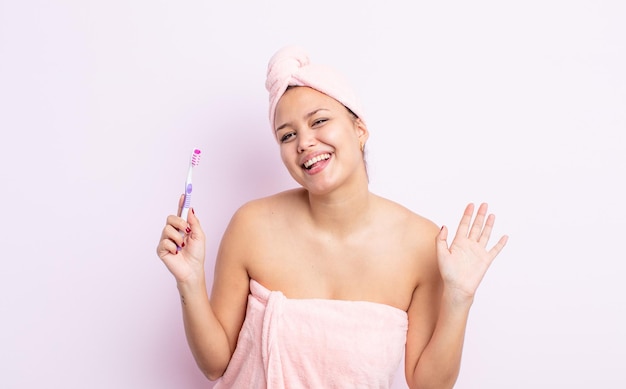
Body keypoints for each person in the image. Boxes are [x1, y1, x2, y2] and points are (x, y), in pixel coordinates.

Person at [156, 46, 508, 389]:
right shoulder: (251, 226)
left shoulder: (420, 245)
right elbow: (215, 364)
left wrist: (459, 299)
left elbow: (428, 385)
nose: (304, 143)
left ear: (359, 129)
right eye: (287, 135)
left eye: (319, 121)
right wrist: (189, 282)